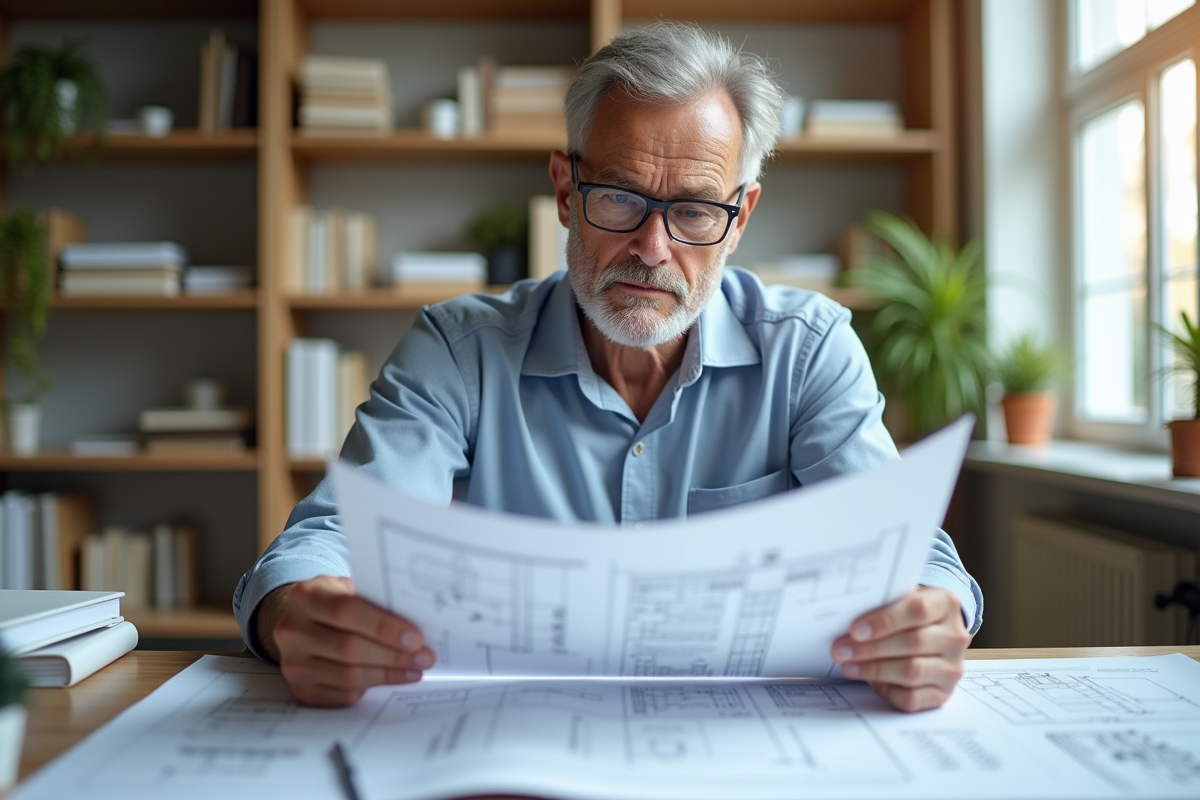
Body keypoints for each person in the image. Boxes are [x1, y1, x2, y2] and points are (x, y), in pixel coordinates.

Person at [234, 21, 982, 712]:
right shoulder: (459, 349)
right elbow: (331, 535)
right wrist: (294, 611)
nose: (653, 249)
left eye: (693, 211)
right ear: (566, 190)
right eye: (621, 198)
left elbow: (905, 550)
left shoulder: (807, 349)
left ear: (740, 217)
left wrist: (933, 613)